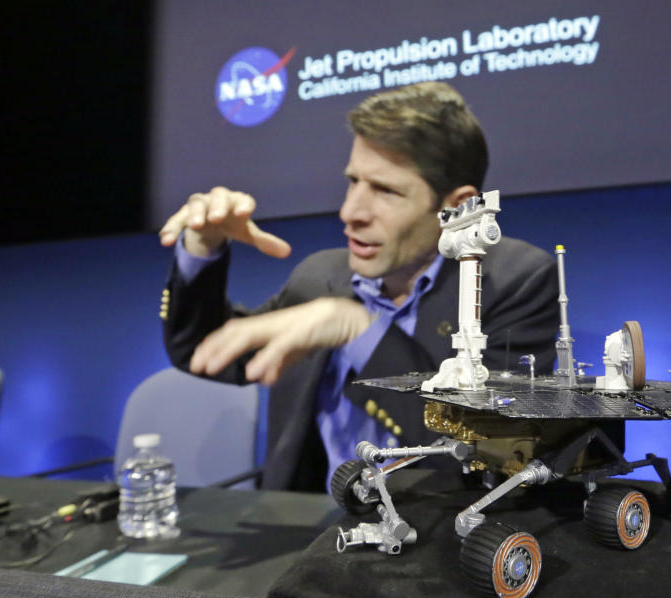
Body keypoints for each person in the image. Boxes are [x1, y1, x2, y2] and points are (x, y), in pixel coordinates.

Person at [158, 82, 559, 491]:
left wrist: (360, 330)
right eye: (353, 182)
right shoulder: (320, 277)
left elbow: (488, 457)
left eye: (386, 190)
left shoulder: (512, 281)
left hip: (443, 538)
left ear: (455, 207)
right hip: (312, 529)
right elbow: (201, 351)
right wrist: (202, 249)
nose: (350, 213)